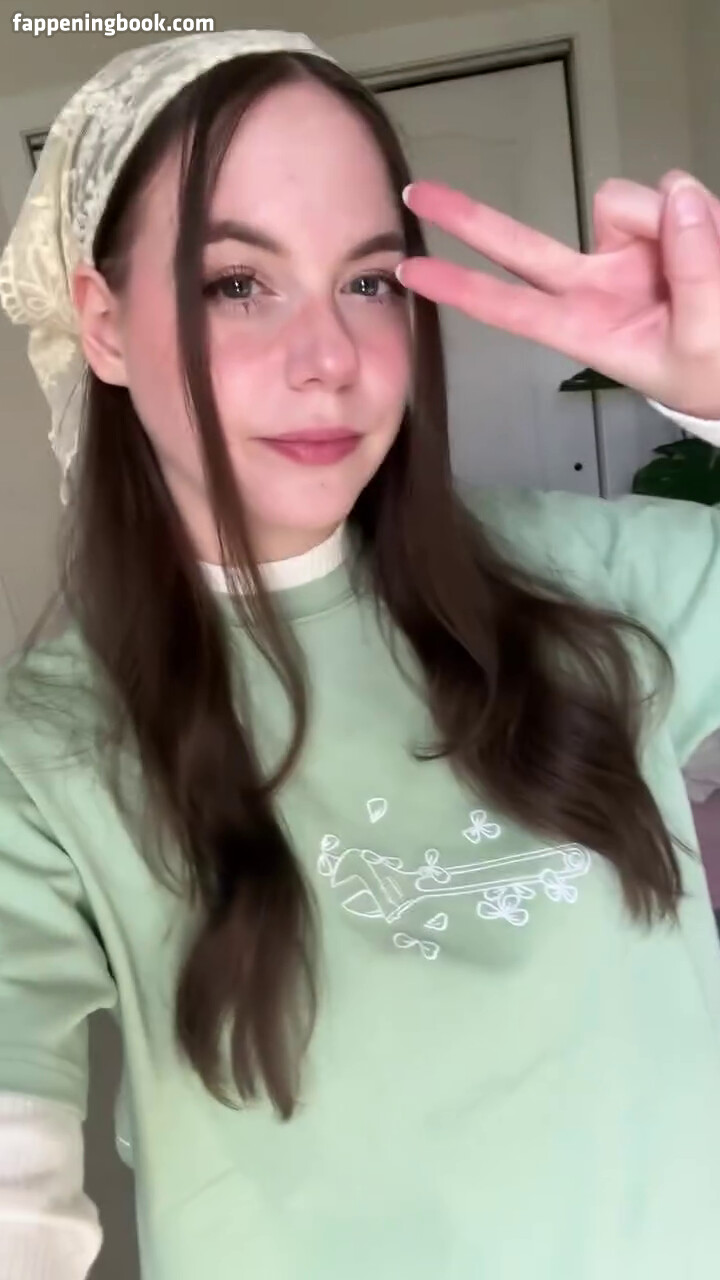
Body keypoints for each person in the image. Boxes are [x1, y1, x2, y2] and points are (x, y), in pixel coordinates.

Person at [0, 26, 719, 1280]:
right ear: (103, 326)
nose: (329, 358)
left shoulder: (594, 585)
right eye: (238, 282)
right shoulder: (49, 755)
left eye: (371, 281)